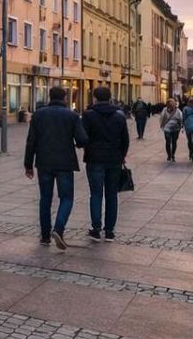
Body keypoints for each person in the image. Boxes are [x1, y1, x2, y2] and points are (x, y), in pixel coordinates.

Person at [24, 86, 88, 250]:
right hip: (65, 163)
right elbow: (81, 139)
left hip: (44, 162)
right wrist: (78, 143)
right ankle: (58, 229)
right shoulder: (72, 116)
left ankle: (45, 237)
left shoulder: (38, 115)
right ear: (65, 98)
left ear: (50, 96)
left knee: (45, 198)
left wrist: (28, 165)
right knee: (66, 198)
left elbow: (31, 141)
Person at [82, 87, 130, 241]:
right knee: (112, 195)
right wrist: (121, 155)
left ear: (95, 98)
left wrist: (87, 147)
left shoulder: (88, 115)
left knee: (96, 194)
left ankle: (96, 229)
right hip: (114, 159)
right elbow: (125, 140)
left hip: (94, 159)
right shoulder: (119, 116)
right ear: (110, 98)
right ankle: (109, 231)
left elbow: (83, 137)